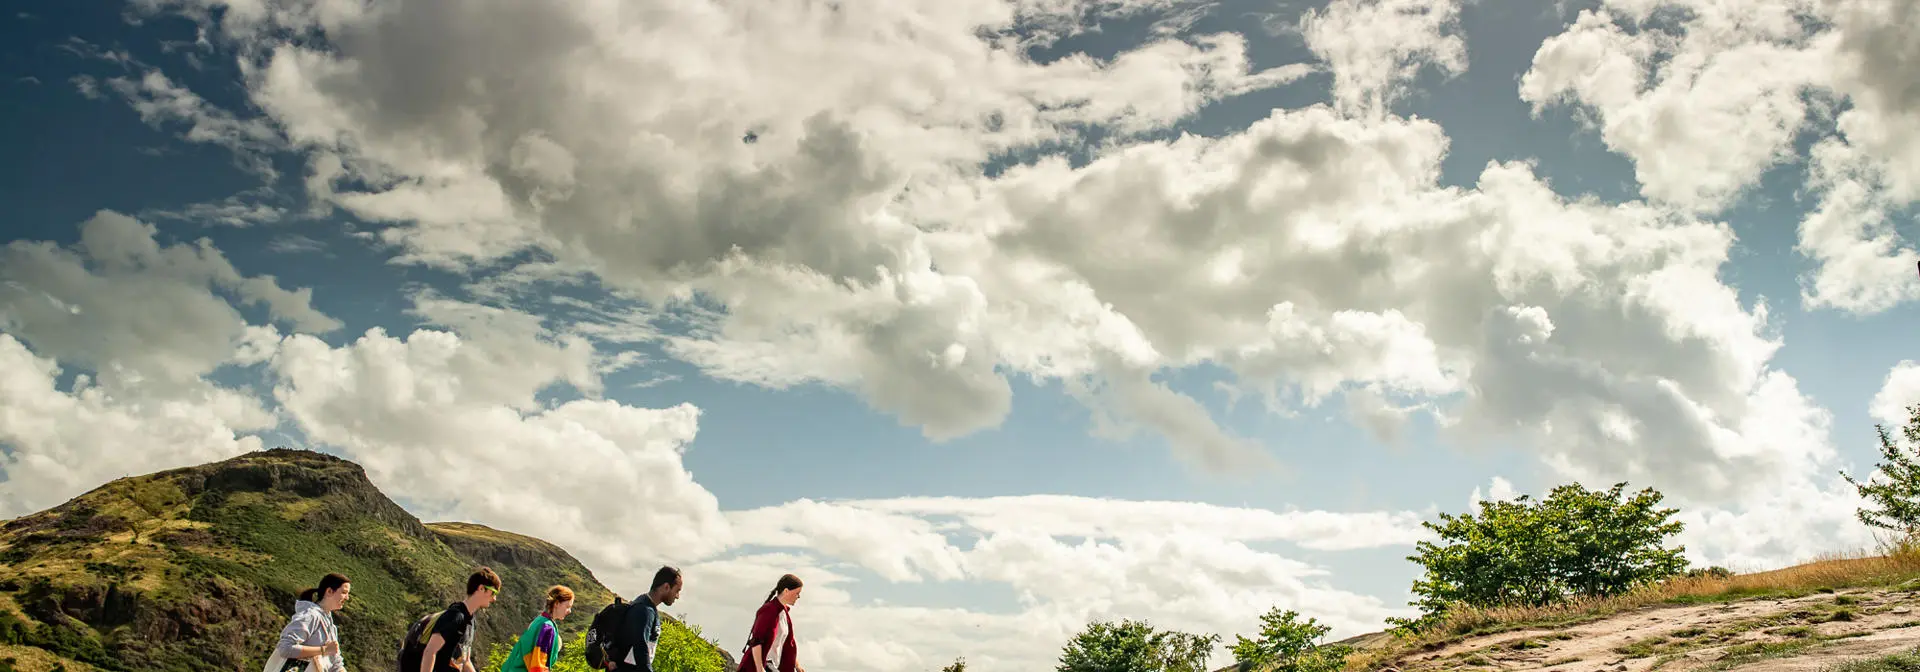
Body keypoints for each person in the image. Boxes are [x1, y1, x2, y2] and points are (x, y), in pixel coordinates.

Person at [419, 567, 502, 672]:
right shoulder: (454, 616)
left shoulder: (471, 621)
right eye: (493, 593)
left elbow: (465, 661)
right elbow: (430, 651)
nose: (494, 599)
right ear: (481, 588)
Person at [607, 566, 683, 672]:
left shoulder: (645, 605)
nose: (677, 596)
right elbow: (641, 649)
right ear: (666, 587)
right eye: (677, 591)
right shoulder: (644, 610)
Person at [272, 573, 351, 672]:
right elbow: (285, 648)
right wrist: (323, 650)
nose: (347, 598)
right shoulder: (310, 616)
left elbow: (335, 663)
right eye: (344, 592)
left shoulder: (331, 627)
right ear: (329, 591)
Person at [500, 585, 575, 672]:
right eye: (567, 607)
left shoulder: (538, 621)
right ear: (557, 603)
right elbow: (538, 664)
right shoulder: (547, 628)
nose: (569, 611)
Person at [739, 574, 804, 672]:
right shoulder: (768, 610)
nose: (798, 596)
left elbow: (787, 644)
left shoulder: (784, 613)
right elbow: (756, 641)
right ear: (786, 591)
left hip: (772, 665)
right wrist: (760, 669)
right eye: (797, 593)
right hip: (760, 666)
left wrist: (797, 665)